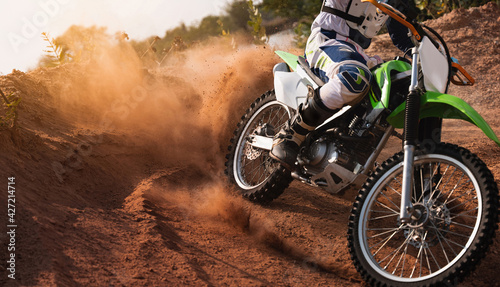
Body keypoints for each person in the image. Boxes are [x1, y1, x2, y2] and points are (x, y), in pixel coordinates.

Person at [270, 0, 417, 169]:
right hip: (327, 41)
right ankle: (291, 133)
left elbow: (400, 35)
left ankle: (417, 180)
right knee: (354, 78)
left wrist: (433, 56)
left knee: (396, 88)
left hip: (357, 54)